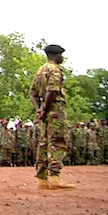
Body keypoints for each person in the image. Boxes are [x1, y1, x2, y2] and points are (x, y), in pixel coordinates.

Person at [29, 44, 76, 190]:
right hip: (55, 110)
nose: (62, 58)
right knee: (57, 141)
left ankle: (42, 178)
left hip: (45, 111)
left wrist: (39, 110)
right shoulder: (55, 70)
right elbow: (52, 91)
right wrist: (44, 109)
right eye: (61, 55)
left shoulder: (40, 70)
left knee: (44, 142)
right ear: (56, 55)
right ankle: (55, 176)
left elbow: (32, 94)